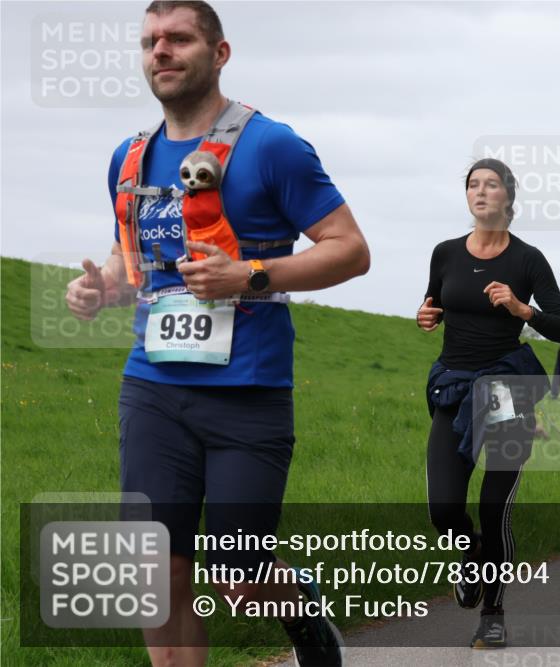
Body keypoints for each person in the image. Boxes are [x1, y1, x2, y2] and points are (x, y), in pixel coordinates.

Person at [64, 3, 369, 665]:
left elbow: (350, 250)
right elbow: (133, 256)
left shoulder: (273, 146)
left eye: (177, 38)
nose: (160, 52)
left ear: (220, 52)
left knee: (240, 577)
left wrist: (251, 275)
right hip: (151, 389)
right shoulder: (129, 156)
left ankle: (300, 608)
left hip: (248, 395)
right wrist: (103, 285)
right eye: (149, 42)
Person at [417, 158, 560, 649]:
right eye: (472, 185)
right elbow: (433, 303)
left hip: (508, 390)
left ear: (508, 195)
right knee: (444, 510)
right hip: (456, 388)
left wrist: (522, 307)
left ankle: (494, 611)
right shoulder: (444, 253)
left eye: (490, 185)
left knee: (493, 505)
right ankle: (473, 555)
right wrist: (426, 315)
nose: (480, 192)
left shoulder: (528, 260)